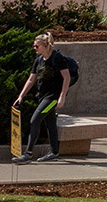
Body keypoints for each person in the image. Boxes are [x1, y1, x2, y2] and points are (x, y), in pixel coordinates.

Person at [12, 33, 78, 162]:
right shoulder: (39, 60)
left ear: (46, 45)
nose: (34, 48)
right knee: (50, 123)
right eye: (34, 46)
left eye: (37, 46)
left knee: (35, 120)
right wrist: (21, 96)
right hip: (42, 96)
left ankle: (28, 154)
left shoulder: (57, 58)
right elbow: (31, 79)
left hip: (52, 97)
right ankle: (54, 152)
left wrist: (62, 97)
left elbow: (66, 77)